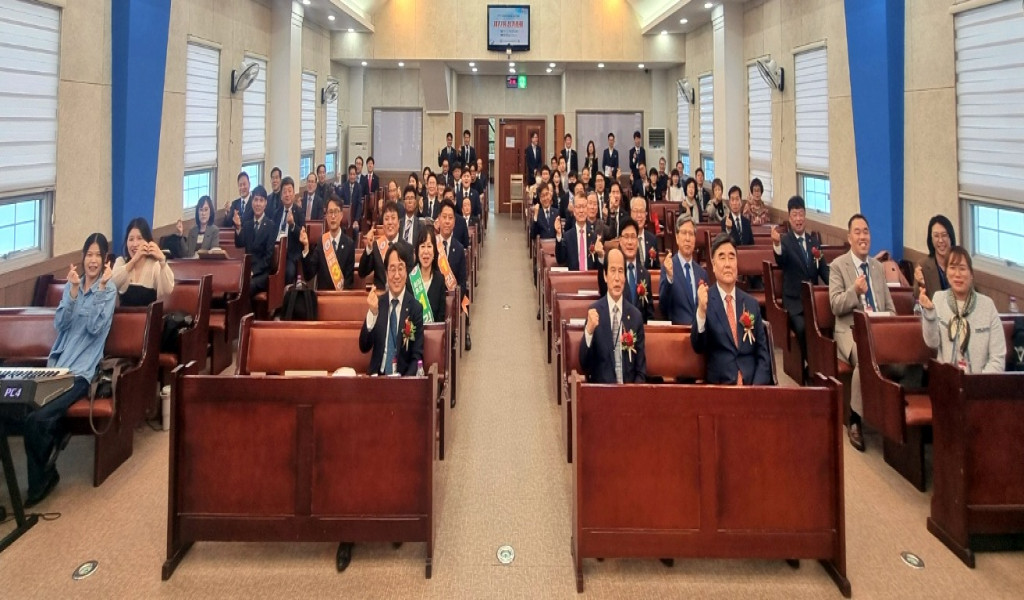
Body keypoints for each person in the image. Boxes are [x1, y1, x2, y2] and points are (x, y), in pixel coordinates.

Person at [19, 233, 116, 507]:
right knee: (20, 412)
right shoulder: (72, 285)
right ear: (83, 257)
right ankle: (46, 465)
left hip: (81, 373)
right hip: (56, 368)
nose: (93, 260)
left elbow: (95, 328)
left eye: (98, 255)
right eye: (89, 254)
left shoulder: (108, 291)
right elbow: (60, 324)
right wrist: (72, 293)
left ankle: (41, 482)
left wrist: (100, 289)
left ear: (105, 260)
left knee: (37, 420)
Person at [829, 213, 897, 452]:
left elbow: (890, 307)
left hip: (878, 330)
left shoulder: (877, 268)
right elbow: (835, 305)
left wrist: (888, 324)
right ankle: (855, 418)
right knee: (865, 359)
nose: (862, 237)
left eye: (865, 232)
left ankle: (894, 414)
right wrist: (854, 291)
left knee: (905, 361)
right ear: (849, 238)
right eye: (857, 232)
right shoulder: (838, 266)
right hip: (851, 331)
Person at [692, 233, 773, 385]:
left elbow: (763, 355)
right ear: (713, 265)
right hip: (722, 387)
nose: (728, 264)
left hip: (752, 386)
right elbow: (698, 346)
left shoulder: (751, 304)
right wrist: (701, 311)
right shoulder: (706, 301)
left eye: (731, 257)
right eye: (722, 258)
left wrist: (756, 389)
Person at [919, 247, 1005, 373]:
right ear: (946, 273)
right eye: (952, 268)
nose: (957, 274)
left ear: (971, 274)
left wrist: (978, 381)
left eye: (962, 269)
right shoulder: (938, 299)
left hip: (980, 380)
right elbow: (932, 342)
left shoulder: (987, 306)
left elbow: (998, 359)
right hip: (946, 380)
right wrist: (929, 312)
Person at [772, 196, 830, 360]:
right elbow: (781, 260)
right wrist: (776, 244)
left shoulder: (814, 242)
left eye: (801, 214)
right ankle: (810, 364)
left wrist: (837, 285)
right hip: (794, 302)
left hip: (813, 301)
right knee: (803, 328)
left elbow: (823, 270)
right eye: (795, 215)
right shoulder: (785, 241)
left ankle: (823, 363)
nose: (798, 219)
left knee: (827, 325)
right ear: (789, 218)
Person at [580, 246, 646, 383]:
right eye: (612, 271)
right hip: (602, 392)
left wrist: (634, 392)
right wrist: (589, 332)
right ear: (605, 276)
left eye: (621, 271)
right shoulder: (594, 312)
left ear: (625, 277)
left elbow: (641, 370)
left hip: (628, 392)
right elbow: (584, 364)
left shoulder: (635, 316)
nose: (617, 278)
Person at [598, 219, 654, 323]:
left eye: (633, 237)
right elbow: (603, 289)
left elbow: (649, 313)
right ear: (619, 240)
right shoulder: (613, 272)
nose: (630, 242)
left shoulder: (645, 274)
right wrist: (601, 258)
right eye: (626, 237)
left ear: (637, 241)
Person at [111, 217, 175, 306]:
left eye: (139, 238)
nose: (135, 244)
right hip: (124, 314)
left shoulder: (155, 265)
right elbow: (112, 285)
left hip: (148, 314)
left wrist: (162, 261)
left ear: (148, 241)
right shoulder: (121, 262)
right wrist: (133, 261)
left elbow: (166, 292)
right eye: (131, 239)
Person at [659, 216, 707, 326]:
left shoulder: (702, 273)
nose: (687, 238)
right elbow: (663, 306)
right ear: (677, 237)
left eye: (691, 234)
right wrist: (669, 278)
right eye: (684, 233)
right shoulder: (668, 267)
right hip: (678, 331)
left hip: (699, 332)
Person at [300, 195, 355, 290]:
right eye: (330, 212)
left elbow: (349, 281)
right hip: (323, 296)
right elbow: (308, 275)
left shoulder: (349, 244)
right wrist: (306, 247)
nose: (333, 216)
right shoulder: (322, 242)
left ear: (341, 215)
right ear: (326, 216)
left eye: (336, 212)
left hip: (341, 296)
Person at [358, 201, 414, 290]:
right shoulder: (376, 246)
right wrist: (369, 248)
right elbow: (362, 273)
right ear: (383, 225)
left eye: (393, 218)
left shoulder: (408, 249)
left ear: (399, 223)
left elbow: (411, 281)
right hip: (380, 296)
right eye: (387, 219)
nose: (390, 222)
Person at [233, 186, 277, 295]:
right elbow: (239, 243)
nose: (258, 204)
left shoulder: (271, 226)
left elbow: (268, 257)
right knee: (233, 284)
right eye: (255, 200)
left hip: (262, 273)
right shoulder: (247, 224)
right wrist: (238, 227)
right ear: (252, 202)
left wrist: (253, 271)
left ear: (265, 203)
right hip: (247, 270)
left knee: (248, 286)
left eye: (261, 200)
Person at [410, 226, 451, 323]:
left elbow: (441, 317)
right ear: (417, 251)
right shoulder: (410, 279)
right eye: (422, 246)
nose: (426, 251)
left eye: (429, 246)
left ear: (434, 252)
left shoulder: (440, 280)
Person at [270, 176, 305, 284]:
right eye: (284, 192)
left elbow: (302, 235)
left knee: (289, 273)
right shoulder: (276, 213)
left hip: (290, 254)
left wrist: (292, 225)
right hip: (275, 253)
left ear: (294, 194)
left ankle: (286, 294)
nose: (287, 194)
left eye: (290, 191)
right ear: (281, 196)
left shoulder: (299, 212)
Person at [913, 215, 956, 300]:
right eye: (936, 236)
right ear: (931, 239)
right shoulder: (923, 266)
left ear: (951, 237)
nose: (940, 240)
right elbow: (917, 300)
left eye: (944, 235)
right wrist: (921, 283)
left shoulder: (959, 262)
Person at [555, 195, 594, 271]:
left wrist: (601, 256)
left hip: (589, 277)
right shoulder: (567, 236)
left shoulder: (593, 236)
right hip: (573, 277)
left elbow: (598, 267)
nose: (581, 211)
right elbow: (560, 260)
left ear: (587, 210)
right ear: (574, 211)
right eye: (578, 207)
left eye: (584, 207)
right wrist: (559, 235)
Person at [629, 195, 660, 271]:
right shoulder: (626, 239)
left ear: (646, 215)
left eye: (642, 211)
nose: (639, 215)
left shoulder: (652, 239)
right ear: (631, 214)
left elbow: (656, 268)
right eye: (636, 211)